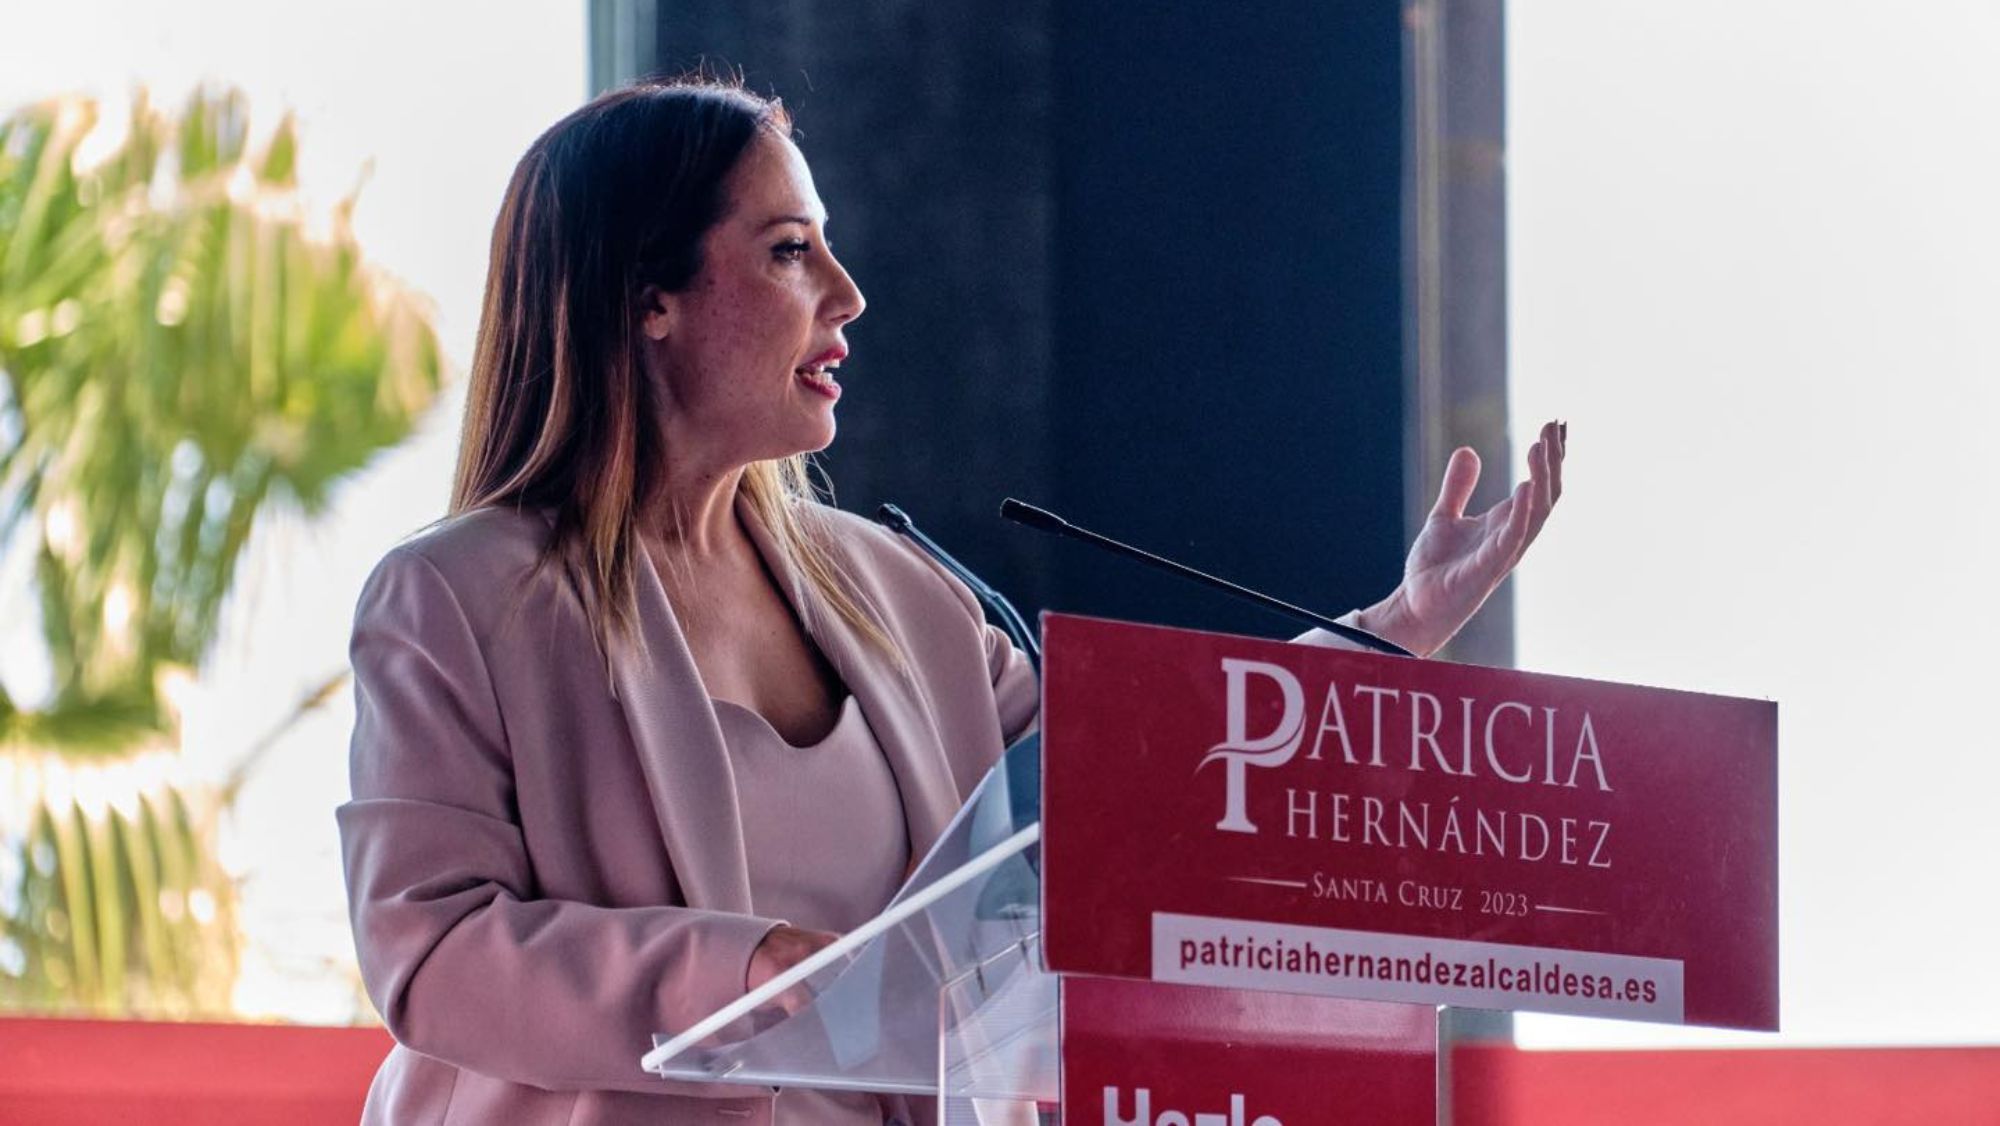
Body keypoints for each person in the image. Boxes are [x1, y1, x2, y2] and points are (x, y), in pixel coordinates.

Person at [337, 77, 1566, 1126]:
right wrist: (738, 969)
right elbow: (431, 950)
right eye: (786, 250)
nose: (846, 291)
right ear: (644, 297)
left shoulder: (899, 591)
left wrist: (1387, 630)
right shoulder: (459, 599)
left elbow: (1138, 792)